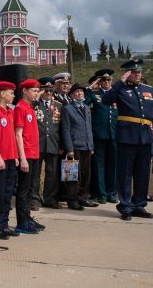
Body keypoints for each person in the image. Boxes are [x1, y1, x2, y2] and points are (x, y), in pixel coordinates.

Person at [102, 59, 153, 221]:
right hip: (127, 137)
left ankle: (139, 205)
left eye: (139, 72)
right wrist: (119, 82)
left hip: (145, 138)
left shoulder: (148, 90)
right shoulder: (120, 89)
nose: (138, 75)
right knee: (125, 174)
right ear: (127, 73)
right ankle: (125, 206)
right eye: (134, 72)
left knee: (143, 174)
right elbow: (106, 100)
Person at [0, 81, 19, 240]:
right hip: (0, 159)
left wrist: (15, 156)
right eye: (11, 93)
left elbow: (12, 136)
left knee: (8, 194)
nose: (13, 96)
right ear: (2, 94)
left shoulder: (10, 112)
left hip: (11, 158)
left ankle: (5, 224)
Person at [14, 79, 45, 234]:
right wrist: (22, 157)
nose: (35, 93)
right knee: (24, 189)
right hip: (26, 153)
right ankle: (22, 221)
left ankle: (27, 216)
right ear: (25, 91)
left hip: (34, 153)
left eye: (36, 90)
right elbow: (18, 134)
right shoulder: (20, 108)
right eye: (33, 90)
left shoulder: (30, 107)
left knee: (31, 188)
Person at [61, 83, 96, 211]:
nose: (79, 93)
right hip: (74, 147)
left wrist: (91, 145)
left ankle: (83, 198)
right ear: (71, 96)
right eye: (76, 92)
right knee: (72, 175)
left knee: (86, 174)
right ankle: (72, 200)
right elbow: (65, 130)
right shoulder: (67, 109)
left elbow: (89, 128)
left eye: (81, 92)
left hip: (86, 146)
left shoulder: (86, 108)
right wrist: (69, 148)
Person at [85, 69, 118, 204]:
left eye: (108, 80)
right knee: (100, 166)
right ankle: (101, 194)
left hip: (114, 134)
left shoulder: (116, 95)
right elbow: (84, 101)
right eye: (103, 80)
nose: (106, 82)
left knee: (113, 166)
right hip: (99, 135)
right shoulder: (94, 94)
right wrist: (92, 86)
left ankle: (112, 193)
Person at [35, 77, 63, 209]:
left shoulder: (58, 106)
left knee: (52, 173)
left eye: (50, 91)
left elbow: (62, 127)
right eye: (45, 90)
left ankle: (50, 198)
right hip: (37, 144)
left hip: (53, 144)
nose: (48, 93)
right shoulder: (34, 105)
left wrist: (62, 145)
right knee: (35, 173)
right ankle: (34, 199)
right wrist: (37, 97)